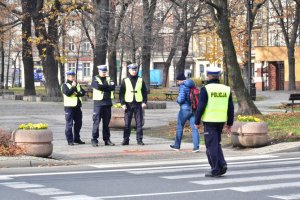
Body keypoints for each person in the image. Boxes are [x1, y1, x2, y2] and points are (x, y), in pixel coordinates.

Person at [194, 67, 234, 177]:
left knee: (211, 146)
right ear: (219, 76)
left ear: (208, 76)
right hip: (221, 120)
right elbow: (231, 108)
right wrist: (230, 123)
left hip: (210, 120)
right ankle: (222, 164)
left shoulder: (206, 89)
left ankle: (215, 169)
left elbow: (200, 107)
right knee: (216, 144)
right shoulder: (226, 89)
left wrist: (196, 121)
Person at [170, 73, 200, 153]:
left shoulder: (183, 86)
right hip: (193, 109)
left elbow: (181, 99)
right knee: (194, 128)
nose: (177, 83)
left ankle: (177, 146)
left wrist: (177, 100)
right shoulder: (193, 85)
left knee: (180, 127)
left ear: (180, 80)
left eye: (178, 81)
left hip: (184, 109)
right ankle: (196, 147)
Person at [119, 63, 147, 145]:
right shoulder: (125, 80)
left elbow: (144, 92)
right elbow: (121, 93)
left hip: (138, 104)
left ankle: (139, 140)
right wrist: (122, 103)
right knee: (127, 123)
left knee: (139, 123)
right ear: (129, 70)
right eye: (132, 70)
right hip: (128, 104)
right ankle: (126, 139)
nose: (134, 71)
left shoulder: (140, 80)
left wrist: (144, 102)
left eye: (135, 70)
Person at [91, 65, 115, 147]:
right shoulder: (95, 79)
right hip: (98, 103)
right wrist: (107, 87)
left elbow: (112, 87)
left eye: (105, 72)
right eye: (102, 72)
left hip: (107, 103)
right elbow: (98, 87)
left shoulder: (109, 78)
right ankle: (94, 139)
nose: (104, 73)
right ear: (99, 71)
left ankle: (107, 139)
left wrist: (104, 87)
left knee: (106, 123)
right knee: (96, 122)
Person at [62, 71, 86, 146]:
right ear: (68, 77)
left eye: (73, 76)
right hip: (69, 107)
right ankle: (70, 140)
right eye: (71, 77)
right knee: (69, 124)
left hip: (77, 107)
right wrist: (73, 87)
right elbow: (68, 93)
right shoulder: (64, 85)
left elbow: (83, 92)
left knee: (79, 123)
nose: (73, 78)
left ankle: (77, 138)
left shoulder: (77, 84)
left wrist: (76, 93)